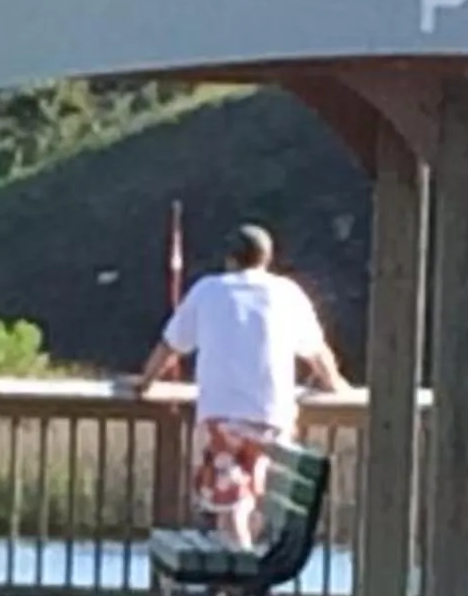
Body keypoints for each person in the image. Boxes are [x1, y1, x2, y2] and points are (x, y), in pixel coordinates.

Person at [137, 224, 342, 549]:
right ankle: (244, 579)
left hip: (221, 415)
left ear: (230, 259)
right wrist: (336, 387)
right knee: (256, 500)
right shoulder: (286, 293)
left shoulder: (208, 291)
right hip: (273, 415)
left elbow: (170, 346)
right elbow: (317, 352)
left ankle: (240, 576)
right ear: (267, 258)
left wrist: (144, 383)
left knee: (230, 504)